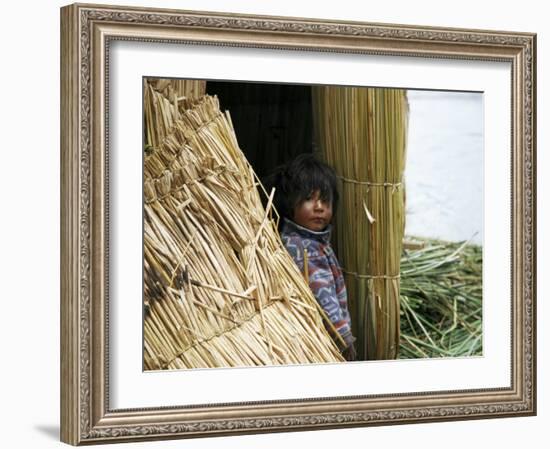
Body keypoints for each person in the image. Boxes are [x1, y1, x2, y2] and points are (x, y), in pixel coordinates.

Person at [271, 153, 356, 361]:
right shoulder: (303, 247)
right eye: (309, 199)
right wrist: (344, 339)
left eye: (325, 200)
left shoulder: (312, 241)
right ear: (290, 204)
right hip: (323, 340)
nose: (319, 207)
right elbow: (322, 295)